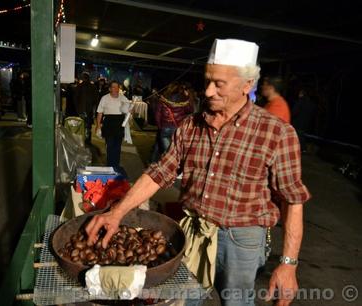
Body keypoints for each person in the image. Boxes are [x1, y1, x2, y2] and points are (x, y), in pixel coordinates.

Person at [86, 39, 310, 306]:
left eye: (219, 84)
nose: (208, 91)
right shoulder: (191, 125)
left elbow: (292, 199)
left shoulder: (276, 132)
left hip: (242, 239)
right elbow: (160, 172)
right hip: (193, 230)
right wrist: (117, 212)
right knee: (185, 299)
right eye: (207, 81)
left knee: (236, 302)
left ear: (247, 85)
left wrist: (288, 264)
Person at [95, 81, 132, 171]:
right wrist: (98, 125)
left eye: (117, 87)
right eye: (113, 87)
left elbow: (130, 109)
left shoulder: (123, 98)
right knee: (110, 145)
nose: (116, 89)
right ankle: (110, 165)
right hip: (108, 123)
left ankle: (116, 166)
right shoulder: (104, 98)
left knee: (117, 146)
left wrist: (131, 109)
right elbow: (100, 112)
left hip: (119, 123)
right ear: (110, 88)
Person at [154, 82, 194, 157]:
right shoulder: (183, 100)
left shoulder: (163, 99)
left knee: (168, 153)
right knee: (175, 151)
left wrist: (160, 127)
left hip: (165, 127)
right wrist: (188, 96)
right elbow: (190, 110)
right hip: (178, 128)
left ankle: (164, 164)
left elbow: (157, 115)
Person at [74, 72, 98, 143]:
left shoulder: (79, 86)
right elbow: (96, 99)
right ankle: (87, 140)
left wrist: (77, 108)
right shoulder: (93, 87)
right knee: (88, 126)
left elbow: (75, 98)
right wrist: (94, 110)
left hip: (81, 110)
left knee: (80, 125)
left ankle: (80, 140)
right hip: (89, 110)